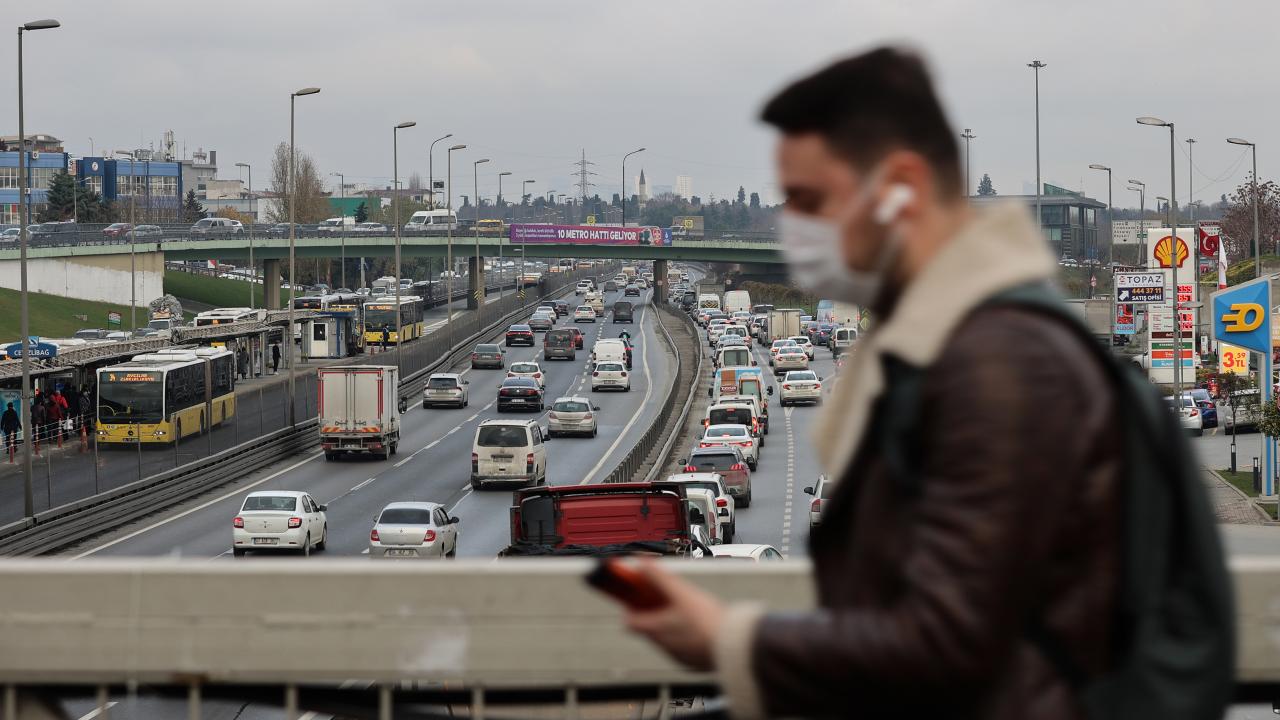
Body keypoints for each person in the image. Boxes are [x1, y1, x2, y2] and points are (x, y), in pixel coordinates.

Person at [623, 48, 1130, 719]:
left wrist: (731, 641)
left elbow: (954, 641)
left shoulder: (997, 364)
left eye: (809, 200)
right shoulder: (954, 340)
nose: (794, 228)